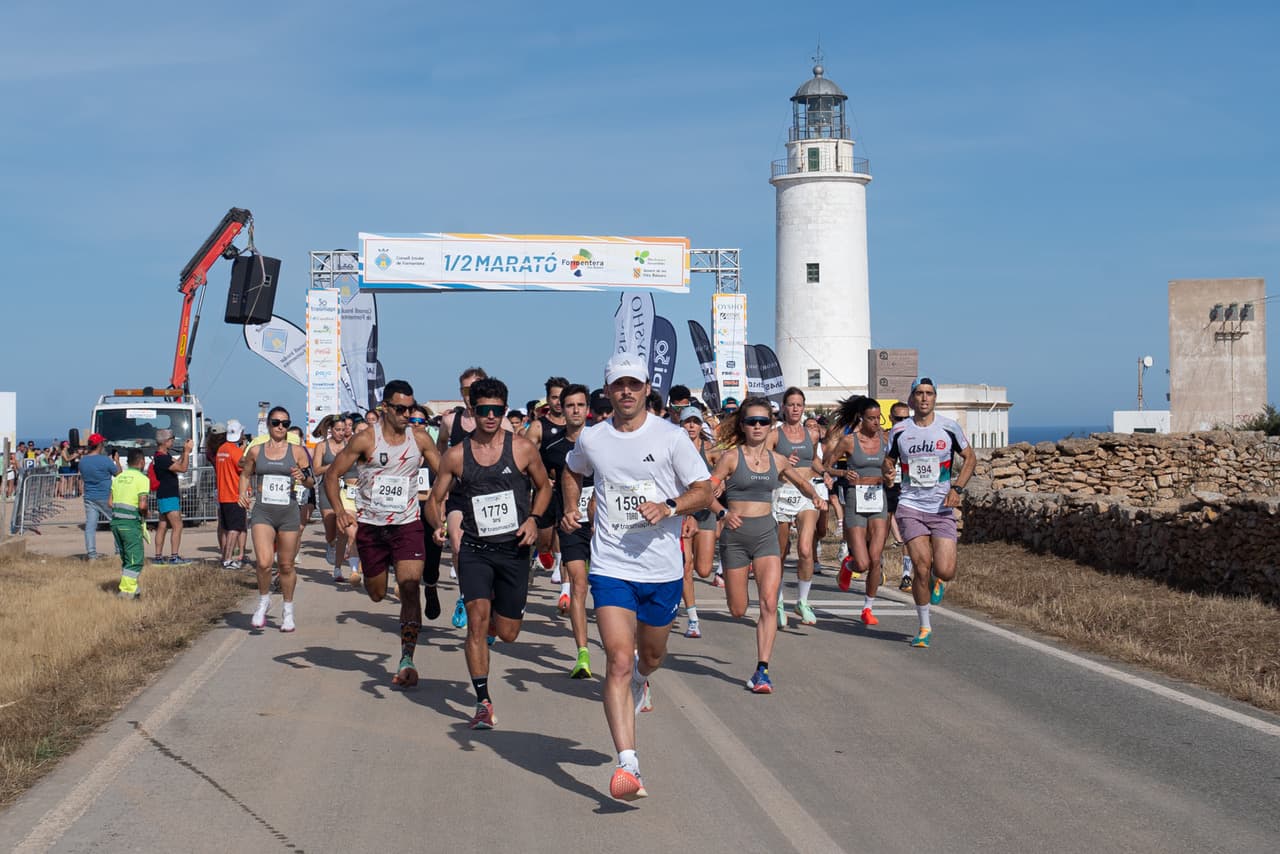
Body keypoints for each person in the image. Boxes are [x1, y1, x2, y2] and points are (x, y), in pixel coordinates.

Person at [560, 352, 713, 801]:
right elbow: (572, 469)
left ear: (647, 389)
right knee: (619, 661)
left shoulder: (670, 438)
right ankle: (628, 763)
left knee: (651, 656)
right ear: (606, 392)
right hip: (610, 565)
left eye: (633, 384)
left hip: (661, 570)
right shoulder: (593, 438)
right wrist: (571, 507)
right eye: (617, 384)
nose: (625, 391)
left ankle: (645, 681)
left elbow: (704, 489)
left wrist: (670, 507)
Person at [428, 377, 551, 729]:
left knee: (509, 632)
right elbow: (435, 500)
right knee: (476, 624)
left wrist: (534, 520)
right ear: (472, 411)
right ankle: (483, 700)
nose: (491, 417)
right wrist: (437, 524)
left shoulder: (523, 449)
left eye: (498, 410)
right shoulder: (456, 455)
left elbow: (544, 488)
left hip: (514, 549)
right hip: (475, 550)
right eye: (484, 410)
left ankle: (500, 611)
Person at [326, 381, 442, 684]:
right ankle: (374, 575)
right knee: (377, 594)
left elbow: (446, 472)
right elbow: (332, 474)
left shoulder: (420, 440)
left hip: (407, 524)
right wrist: (340, 510)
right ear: (386, 409)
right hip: (372, 528)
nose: (407, 414)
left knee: (409, 584)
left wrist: (443, 504)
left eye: (411, 408)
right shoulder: (366, 440)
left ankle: (407, 659)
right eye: (400, 409)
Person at [711, 397, 826, 693]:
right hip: (734, 539)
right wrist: (722, 512)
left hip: (765, 535)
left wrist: (814, 495)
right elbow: (703, 492)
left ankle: (762, 670)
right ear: (743, 425)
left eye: (764, 421)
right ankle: (740, 606)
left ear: (770, 424)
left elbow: (800, 481)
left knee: (768, 603)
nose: (758, 426)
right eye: (752, 421)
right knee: (738, 609)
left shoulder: (777, 460)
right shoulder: (731, 458)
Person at [884, 378, 976, 648]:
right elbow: (889, 459)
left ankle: (940, 580)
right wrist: (887, 470)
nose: (924, 398)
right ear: (912, 399)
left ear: (935, 398)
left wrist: (957, 487)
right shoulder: (900, 430)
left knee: (945, 570)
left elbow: (970, 458)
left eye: (929, 394)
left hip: (941, 507)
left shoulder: (948, 428)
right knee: (921, 567)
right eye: (919, 394)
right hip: (911, 507)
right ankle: (924, 626)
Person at [240, 407, 314, 632]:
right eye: (276, 422)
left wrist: (303, 477)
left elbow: (311, 482)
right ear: (269, 425)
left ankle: (288, 610)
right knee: (263, 562)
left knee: (285, 564)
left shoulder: (298, 451)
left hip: (288, 512)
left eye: (285, 423)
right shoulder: (256, 451)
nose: (280, 426)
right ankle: (263, 602)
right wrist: (242, 493)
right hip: (263, 511)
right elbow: (245, 474)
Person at [823, 396, 890, 625]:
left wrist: (889, 474)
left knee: (875, 559)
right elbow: (827, 465)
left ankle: (868, 608)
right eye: (871, 419)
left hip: (878, 498)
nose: (876, 423)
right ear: (861, 418)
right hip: (855, 500)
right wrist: (843, 474)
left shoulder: (885, 438)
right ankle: (849, 565)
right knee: (862, 563)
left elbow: (890, 463)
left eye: (878, 419)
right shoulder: (849, 441)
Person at [766, 388, 827, 627]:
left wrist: (826, 474)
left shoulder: (811, 434)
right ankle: (779, 602)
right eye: (790, 404)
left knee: (804, 549)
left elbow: (814, 460)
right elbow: (763, 459)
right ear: (783, 407)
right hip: (782, 492)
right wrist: (780, 463)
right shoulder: (774, 434)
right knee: (780, 552)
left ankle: (803, 601)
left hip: (806, 493)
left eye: (799, 405)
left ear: (803, 407)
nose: (794, 409)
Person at [547, 383, 594, 676]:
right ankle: (583, 653)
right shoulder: (553, 450)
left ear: (587, 409)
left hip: (607, 526)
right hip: (571, 524)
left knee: (603, 589)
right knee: (578, 583)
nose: (575, 410)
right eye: (570, 405)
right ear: (561, 410)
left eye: (580, 405)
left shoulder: (603, 441)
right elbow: (543, 483)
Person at [678, 406, 724, 638]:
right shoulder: (674, 447)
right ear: (681, 424)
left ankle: (677, 588)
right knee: (686, 566)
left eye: (695, 422)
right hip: (684, 513)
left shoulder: (711, 450)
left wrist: (720, 484)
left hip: (706, 514)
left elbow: (724, 471)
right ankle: (693, 619)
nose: (691, 426)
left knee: (703, 569)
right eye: (687, 422)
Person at [523, 376, 569, 582]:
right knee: (544, 540)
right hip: (545, 487)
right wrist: (539, 480)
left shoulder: (577, 424)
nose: (558, 402)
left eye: (562, 397)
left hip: (570, 487)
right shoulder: (538, 427)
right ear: (548, 400)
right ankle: (538, 557)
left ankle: (561, 565)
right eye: (554, 397)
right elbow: (525, 458)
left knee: (564, 526)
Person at [311, 414, 350, 579]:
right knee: (330, 527)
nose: (341, 433)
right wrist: (333, 467)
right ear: (330, 430)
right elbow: (316, 470)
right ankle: (330, 543)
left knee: (343, 529)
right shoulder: (322, 446)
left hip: (346, 490)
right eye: (338, 430)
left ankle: (337, 569)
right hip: (326, 489)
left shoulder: (350, 446)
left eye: (343, 430)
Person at [110, 449, 151, 599]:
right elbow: (142, 505)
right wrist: (146, 513)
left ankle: (134, 590)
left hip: (116, 522)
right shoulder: (142, 479)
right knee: (135, 559)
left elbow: (110, 502)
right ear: (141, 462)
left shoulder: (119, 478)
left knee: (127, 558)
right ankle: (127, 592)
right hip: (130, 523)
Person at [152, 428, 193, 565]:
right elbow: (183, 468)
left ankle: (158, 557)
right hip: (169, 495)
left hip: (164, 494)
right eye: (171, 439)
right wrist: (187, 452)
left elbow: (178, 463)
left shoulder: (162, 456)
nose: (173, 441)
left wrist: (183, 453)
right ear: (165, 442)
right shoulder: (162, 459)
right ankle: (174, 556)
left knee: (163, 525)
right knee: (177, 525)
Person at [886, 401, 913, 590]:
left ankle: (906, 575)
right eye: (898, 418)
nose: (902, 422)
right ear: (891, 418)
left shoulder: (913, 437)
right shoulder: (884, 437)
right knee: (880, 528)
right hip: (884, 486)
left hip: (906, 486)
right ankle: (876, 567)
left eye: (906, 418)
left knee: (907, 531)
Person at [79, 433, 120, 560]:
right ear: (100, 445)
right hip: (106, 496)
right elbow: (118, 474)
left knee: (90, 526)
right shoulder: (105, 460)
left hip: (89, 497)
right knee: (116, 523)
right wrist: (116, 461)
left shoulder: (83, 460)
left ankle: (91, 554)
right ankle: (119, 552)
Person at [216, 420, 247, 569]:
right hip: (234, 494)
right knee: (235, 528)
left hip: (223, 495)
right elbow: (245, 469)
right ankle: (228, 559)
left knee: (228, 528)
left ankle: (225, 557)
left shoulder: (221, 449)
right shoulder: (236, 452)